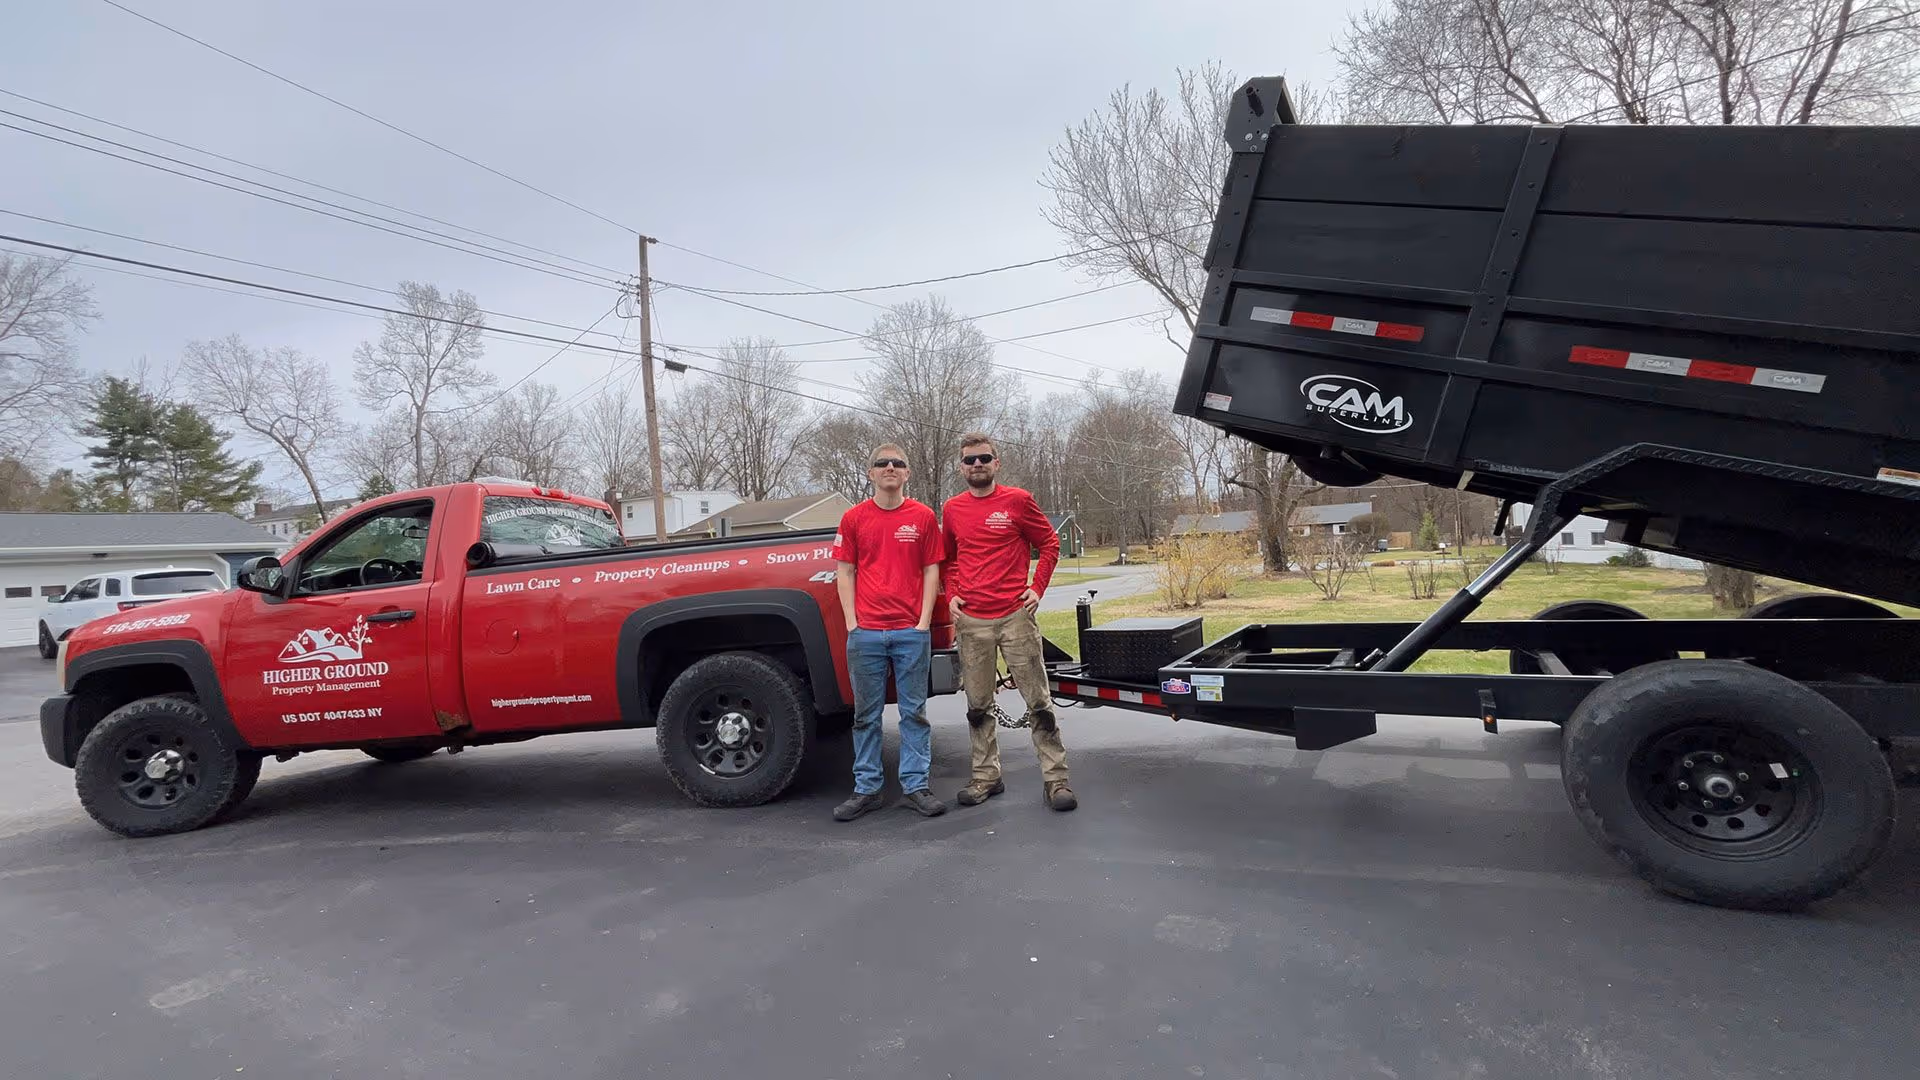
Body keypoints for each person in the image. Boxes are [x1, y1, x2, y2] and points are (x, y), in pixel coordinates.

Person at [941, 432, 1074, 811]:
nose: (977, 465)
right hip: (972, 622)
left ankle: (1056, 780)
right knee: (978, 705)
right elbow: (948, 559)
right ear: (961, 467)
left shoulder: (1018, 500)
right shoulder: (952, 509)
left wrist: (1037, 588)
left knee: (1039, 702)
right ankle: (986, 777)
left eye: (984, 458)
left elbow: (1049, 544)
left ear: (996, 463)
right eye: (970, 460)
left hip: (1016, 618)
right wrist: (952, 594)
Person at [829, 443, 948, 822]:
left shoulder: (923, 517)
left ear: (907, 473)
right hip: (866, 634)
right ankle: (867, 789)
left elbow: (932, 570)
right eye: (882, 464)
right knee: (866, 716)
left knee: (915, 714)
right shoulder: (853, 518)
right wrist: (853, 624)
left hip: (911, 633)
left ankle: (916, 787)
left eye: (898, 463)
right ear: (871, 473)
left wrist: (923, 622)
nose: (890, 468)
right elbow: (845, 572)